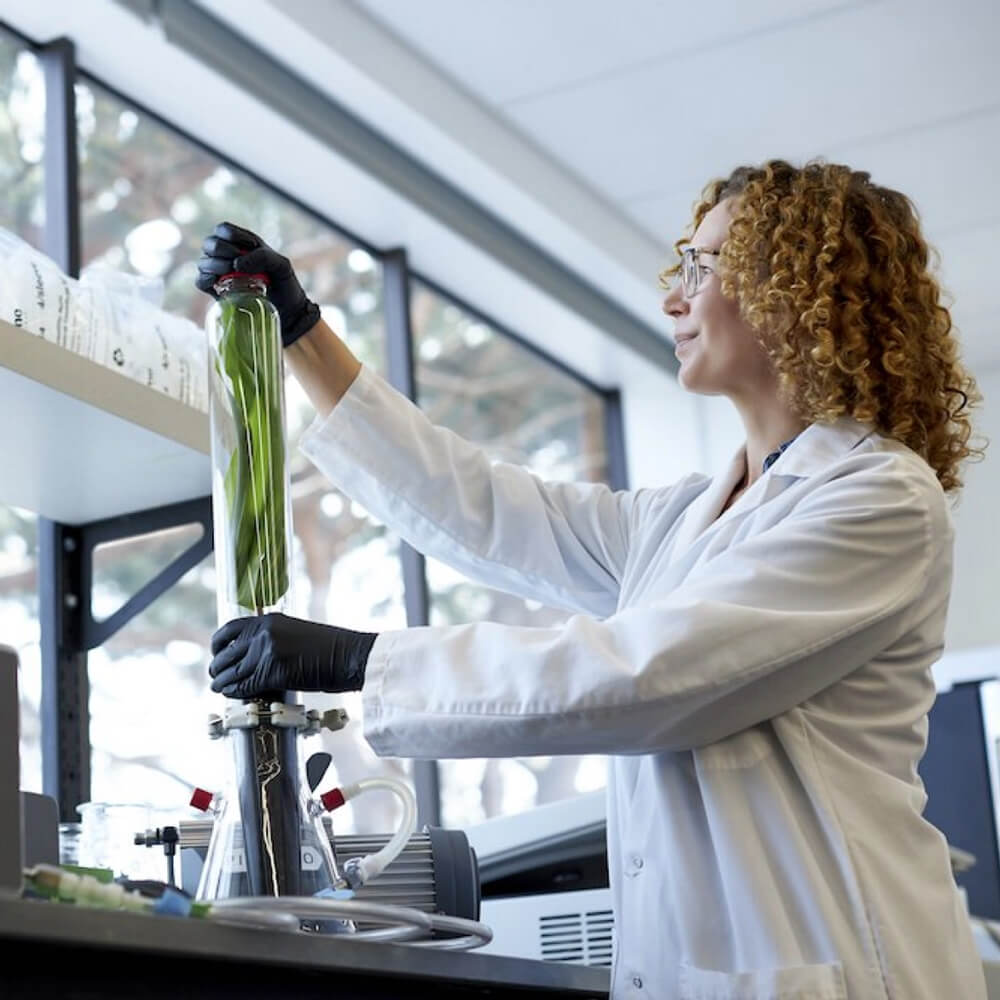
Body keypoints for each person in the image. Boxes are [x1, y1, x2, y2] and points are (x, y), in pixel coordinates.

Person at [196, 158, 987, 999]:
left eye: (704, 268)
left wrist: (361, 660)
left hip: (850, 963)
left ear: (797, 289)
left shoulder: (879, 498)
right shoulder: (682, 521)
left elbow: (651, 675)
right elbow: (487, 511)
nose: (673, 299)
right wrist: (302, 333)